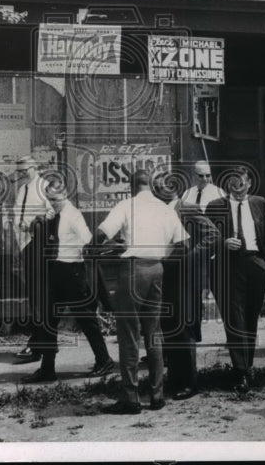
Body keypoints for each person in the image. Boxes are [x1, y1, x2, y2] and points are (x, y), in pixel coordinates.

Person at [96, 170, 187, 414]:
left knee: (129, 333)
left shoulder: (126, 205)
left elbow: (101, 233)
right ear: (150, 187)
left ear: (131, 186)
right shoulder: (165, 208)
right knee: (154, 332)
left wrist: (105, 245)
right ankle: (157, 395)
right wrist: (160, 259)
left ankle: (131, 398)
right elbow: (183, 244)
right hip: (157, 268)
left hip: (133, 269)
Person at [23, 181, 117, 382]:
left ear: (65, 196)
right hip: (55, 270)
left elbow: (88, 243)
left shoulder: (74, 216)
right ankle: (48, 368)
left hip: (73, 272)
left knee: (86, 320)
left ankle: (104, 360)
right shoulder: (52, 215)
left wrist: (86, 274)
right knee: (49, 320)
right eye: (48, 200)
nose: (52, 204)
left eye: (55, 200)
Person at [205, 166, 265, 394]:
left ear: (249, 183)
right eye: (234, 183)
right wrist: (222, 242)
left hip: (255, 264)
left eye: (242, 182)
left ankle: (248, 364)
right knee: (235, 318)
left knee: (251, 315)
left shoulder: (260, 203)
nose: (238, 187)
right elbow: (204, 236)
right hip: (228, 266)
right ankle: (240, 371)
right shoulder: (215, 207)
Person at [157, 171, 219, 400]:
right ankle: (174, 378)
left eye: (164, 186)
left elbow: (213, 234)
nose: (160, 190)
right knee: (170, 326)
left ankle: (191, 383)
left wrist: (190, 258)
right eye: (157, 187)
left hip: (185, 278)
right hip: (165, 276)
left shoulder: (188, 208)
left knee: (185, 328)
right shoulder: (157, 211)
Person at [10, 155, 54, 365]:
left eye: (24, 170)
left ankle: (37, 345)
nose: (21, 174)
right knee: (33, 297)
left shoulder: (45, 187)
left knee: (39, 298)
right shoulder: (22, 190)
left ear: (35, 168)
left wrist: (36, 224)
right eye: (19, 171)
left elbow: (53, 213)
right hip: (24, 247)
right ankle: (39, 342)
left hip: (38, 247)